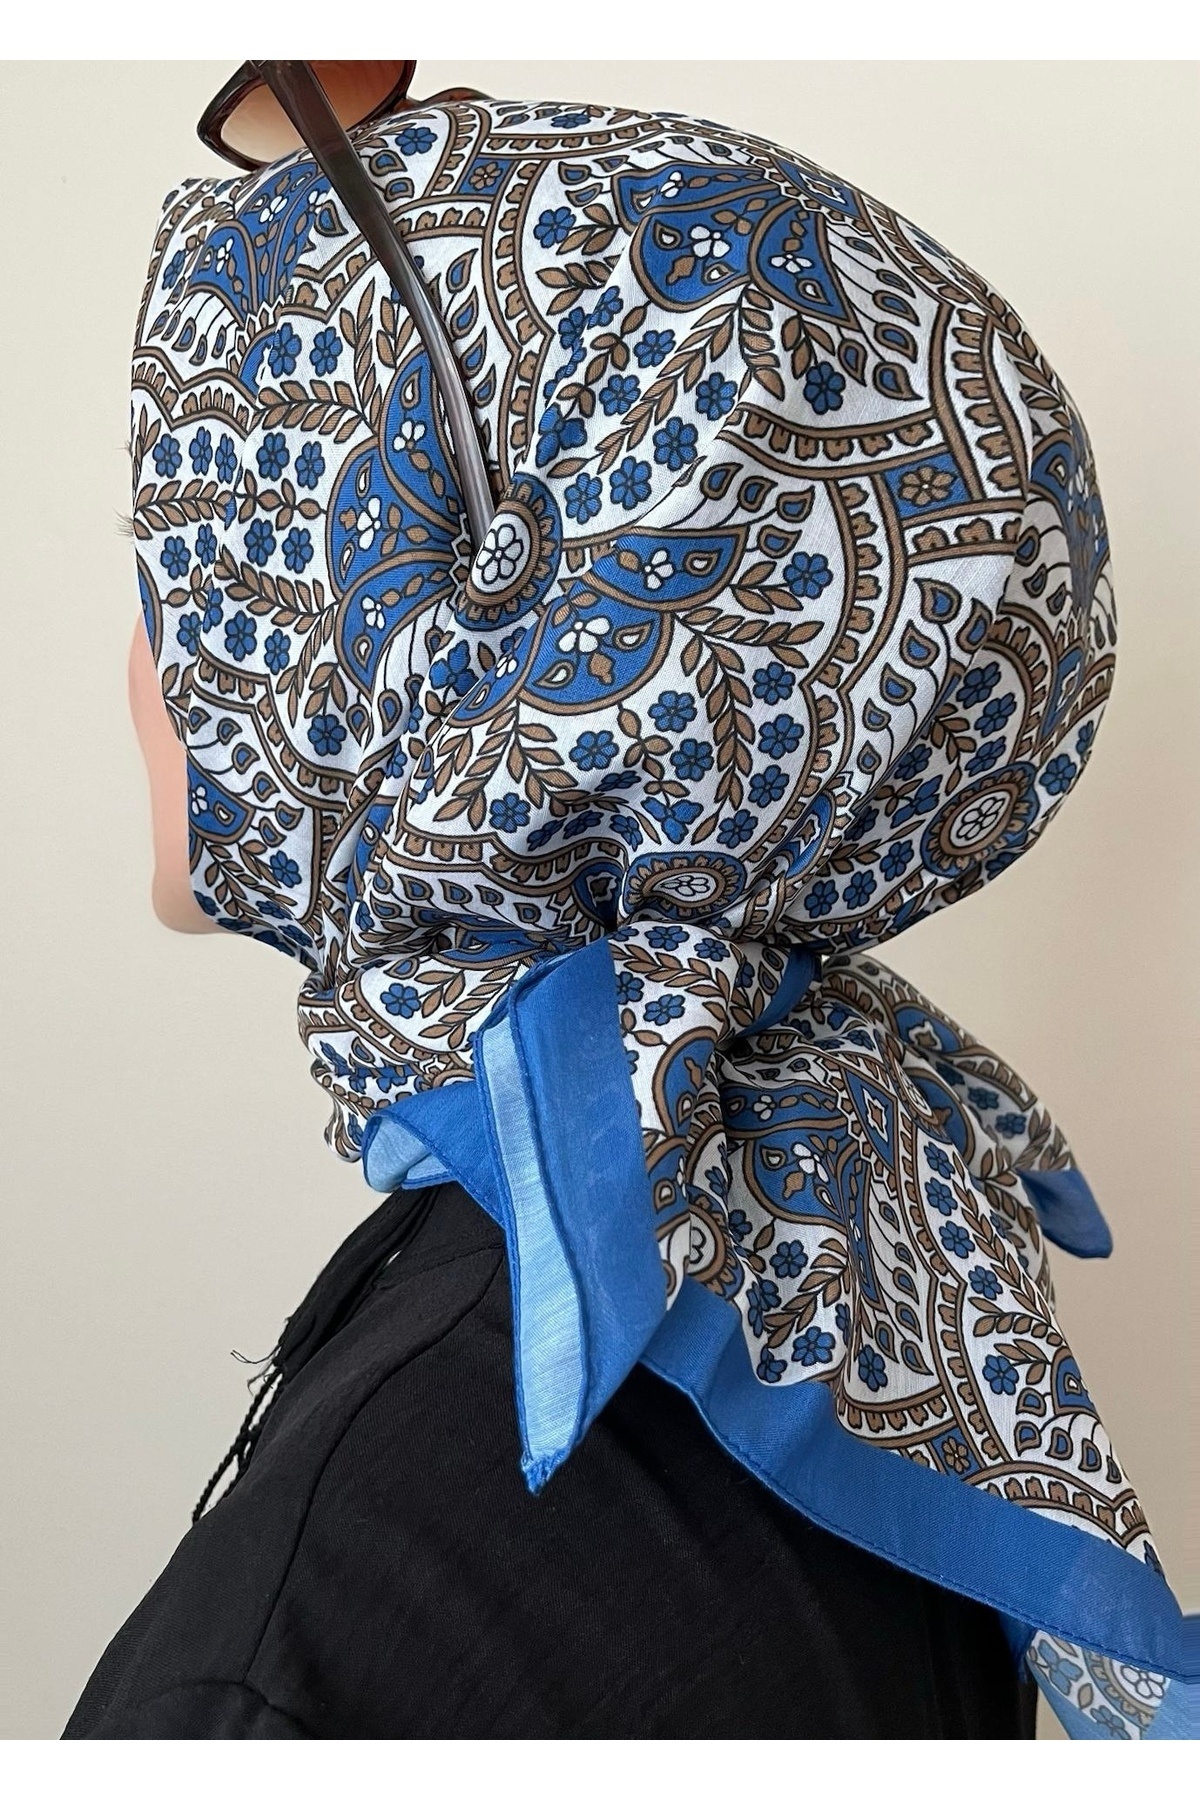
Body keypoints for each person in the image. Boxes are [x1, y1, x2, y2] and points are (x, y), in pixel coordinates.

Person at [65, 81, 1193, 1739]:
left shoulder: (331, 1621)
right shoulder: (868, 1275)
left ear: (441, 621)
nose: (139, 661)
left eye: (184, 565)